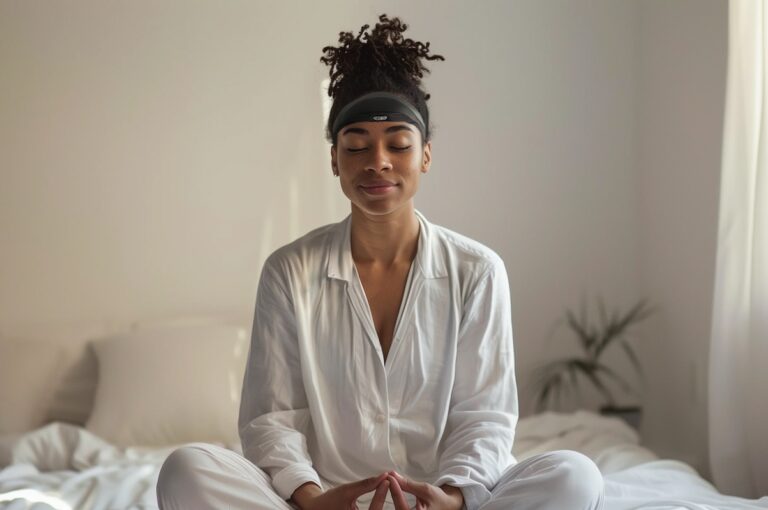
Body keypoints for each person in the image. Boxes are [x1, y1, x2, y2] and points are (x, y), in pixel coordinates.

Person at [156, 13, 605, 510]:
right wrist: (313, 499)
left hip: (441, 501)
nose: (378, 162)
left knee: (575, 477)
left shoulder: (477, 271)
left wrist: (454, 498)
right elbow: (271, 419)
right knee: (187, 470)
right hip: (328, 501)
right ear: (334, 160)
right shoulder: (290, 271)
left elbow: (485, 416)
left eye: (398, 143)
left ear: (426, 155)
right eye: (356, 146)